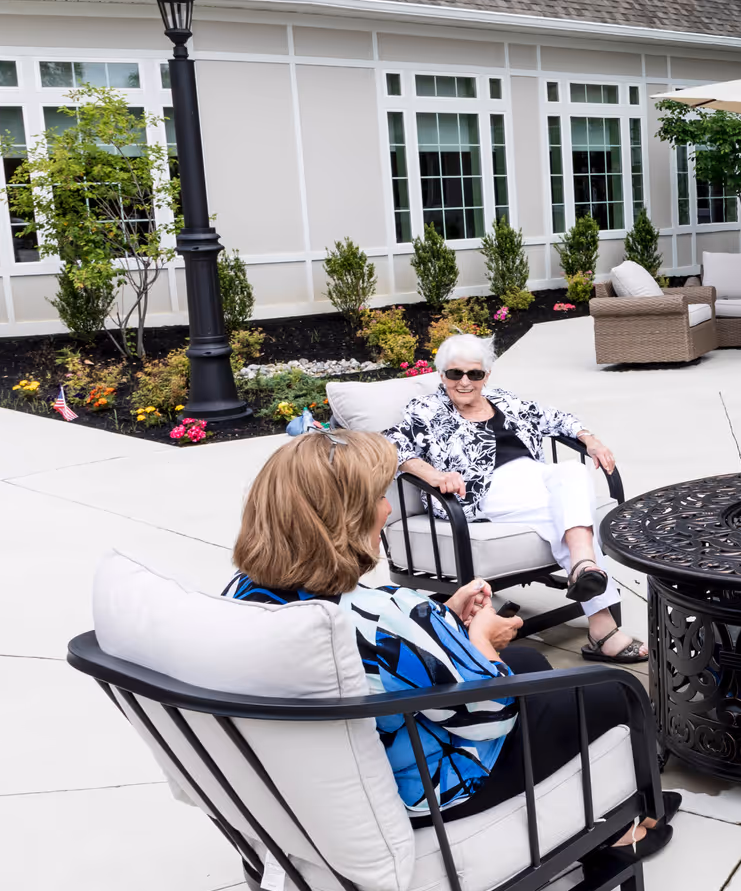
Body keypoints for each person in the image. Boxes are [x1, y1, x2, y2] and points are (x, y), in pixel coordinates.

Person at [224, 429, 675, 854]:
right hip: (426, 792)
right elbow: (489, 717)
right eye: (381, 498)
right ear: (346, 519)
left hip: (335, 779)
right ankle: (623, 829)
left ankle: (587, 803)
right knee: (612, 693)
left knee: (526, 661)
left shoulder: (243, 594)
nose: (386, 510)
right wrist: (480, 639)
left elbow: (393, 665)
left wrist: (444, 624)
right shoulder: (387, 617)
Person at [383, 333, 645, 663]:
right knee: (565, 510)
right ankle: (602, 625)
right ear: (441, 374)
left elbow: (554, 417)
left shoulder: (503, 399)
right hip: (479, 491)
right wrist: (435, 476)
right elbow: (392, 446)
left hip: (533, 478)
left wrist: (589, 439)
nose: (465, 382)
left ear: (486, 375)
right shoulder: (425, 408)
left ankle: (582, 565)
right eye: (455, 374)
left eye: (474, 374)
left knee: (574, 473)